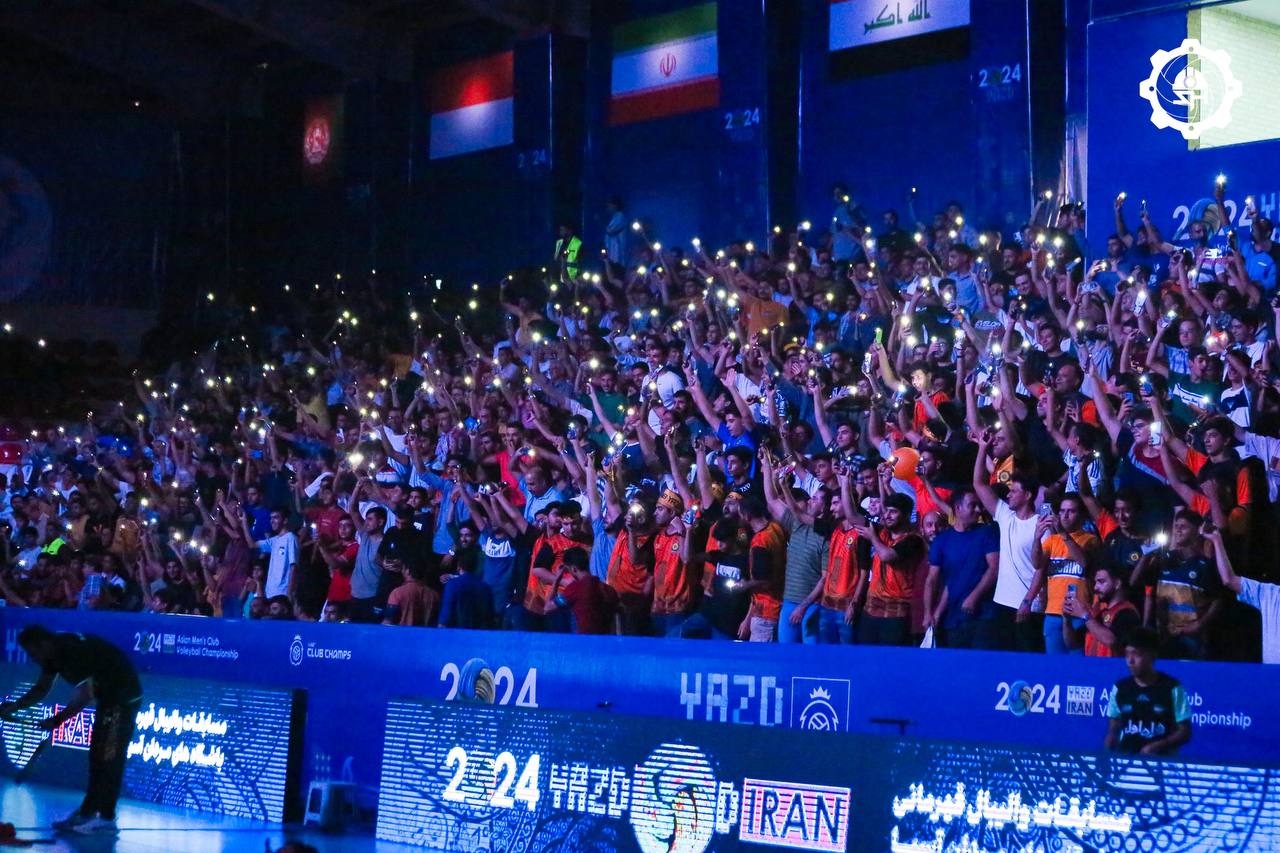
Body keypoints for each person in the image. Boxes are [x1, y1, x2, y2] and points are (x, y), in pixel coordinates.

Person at [0, 626, 143, 835]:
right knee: (97, 757)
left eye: (33, 653)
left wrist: (57, 720)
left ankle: (106, 818)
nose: (33, 659)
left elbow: (85, 695)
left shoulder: (71, 652)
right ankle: (87, 813)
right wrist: (13, 707)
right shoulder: (51, 656)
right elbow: (41, 688)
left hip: (123, 698)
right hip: (108, 699)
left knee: (109, 757)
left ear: (43, 644)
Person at [923, 488, 999, 649]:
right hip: (952, 617)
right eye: (972, 505)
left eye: (979, 505)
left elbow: (994, 568)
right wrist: (929, 612)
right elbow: (932, 580)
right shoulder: (942, 540)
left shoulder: (988, 534)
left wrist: (974, 597)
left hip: (984, 616)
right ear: (958, 508)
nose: (978, 509)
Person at [1104, 627, 1192, 755]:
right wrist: (1111, 738)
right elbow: (1114, 725)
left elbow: (1185, 732)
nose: (1130, 661)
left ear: (1152, 656)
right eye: (1127, 654)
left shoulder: (1172, 688)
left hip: (1162, 761)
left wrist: (1159, 745)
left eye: (1136, 654)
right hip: (1127, 760)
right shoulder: (1120, 688)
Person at [1063, 565, 1140, 656]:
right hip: (1093, 665)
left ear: (1117, 583)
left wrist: (1085, 615)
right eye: (1096, 583)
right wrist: (1066, 619)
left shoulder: (1128, 612)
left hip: (1113, 665)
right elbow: (1072, 643)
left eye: (1101, 582)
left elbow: (1112, 642)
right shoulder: (1100, 614)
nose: (1095, 587)